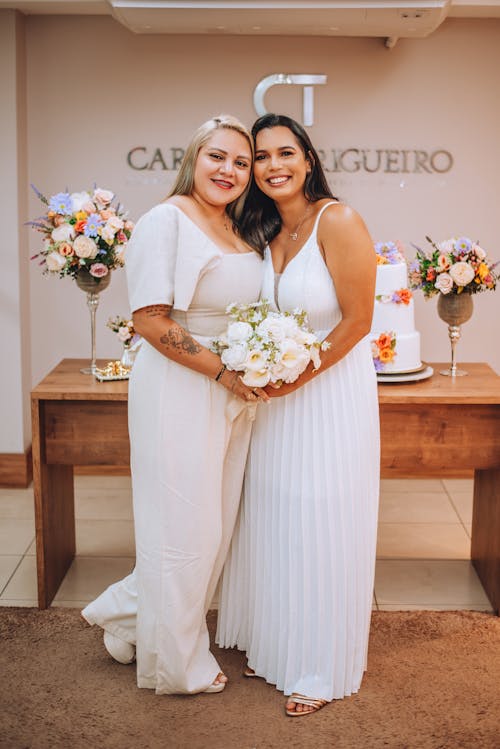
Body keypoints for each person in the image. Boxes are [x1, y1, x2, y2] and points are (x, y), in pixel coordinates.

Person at [82, 115, 267, 695]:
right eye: (218, 157)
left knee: (210, 529)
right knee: (184, 526)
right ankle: (177, 666)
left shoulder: (236, 229)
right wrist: (223, 372)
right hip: (182, 388)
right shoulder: (167, 220)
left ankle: (129, 613)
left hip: (230, 388)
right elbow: (149, 320)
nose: (229, 171)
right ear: (194, 158)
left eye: (241, 163)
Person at [216, 114, 380, 716]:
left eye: (286, 152)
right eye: (261, 157)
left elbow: (358, 322)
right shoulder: (262, 230)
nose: (273, 165)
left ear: (308, 159)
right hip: (275, 402)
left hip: (329, 396)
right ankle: (279, 645)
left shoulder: (338, 219)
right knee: (276, 514)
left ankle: (317, 662)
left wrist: (294, 377)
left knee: (323, 516)